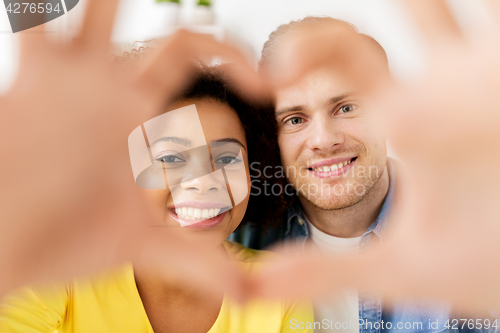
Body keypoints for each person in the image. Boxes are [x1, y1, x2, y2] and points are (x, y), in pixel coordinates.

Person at [232, 15, 499, 332]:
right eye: (294, 119)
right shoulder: (240, 233)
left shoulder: (471, 233)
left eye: (345, 107)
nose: (323, 140)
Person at [0, 65, 312, 333]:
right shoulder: (63, 272)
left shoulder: (284, 289)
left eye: (227, 159)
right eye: (170, 158)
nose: (203, 183)